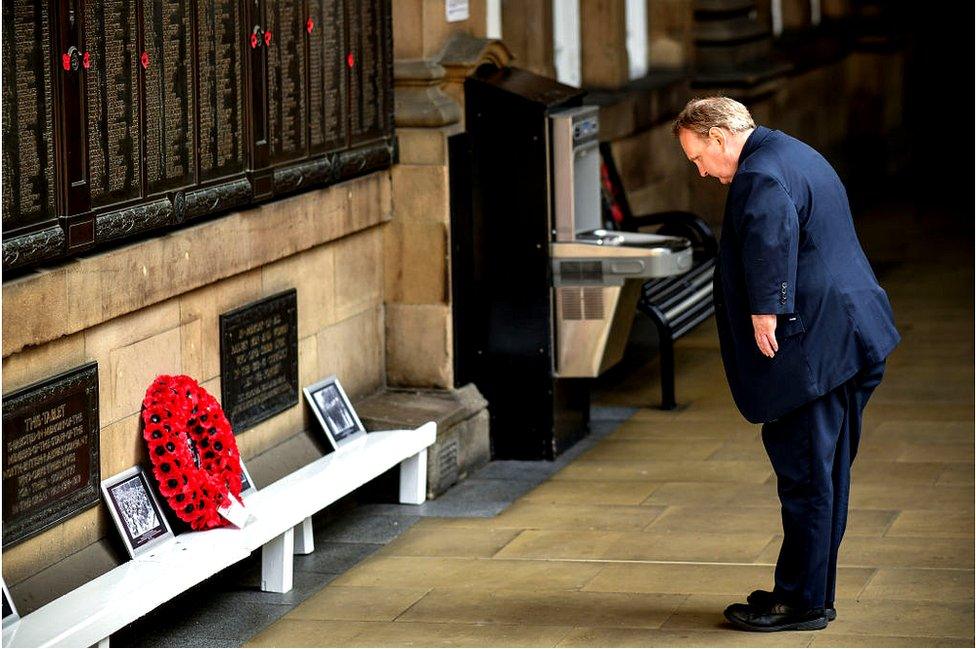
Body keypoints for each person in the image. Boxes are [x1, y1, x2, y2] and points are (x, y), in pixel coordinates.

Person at [672, 97, 900, 632]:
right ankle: (807, 589)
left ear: (720, 138)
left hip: (815, 351)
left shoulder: (760, 174)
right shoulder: (792, 151)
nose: (701, 171)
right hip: (850, 338)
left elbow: (772, 238)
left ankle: (802, 603)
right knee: (825, 475)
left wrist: (764, 313)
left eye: (698, 157)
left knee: (807, 479)